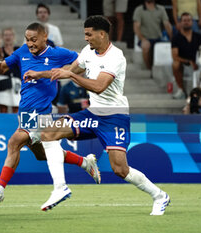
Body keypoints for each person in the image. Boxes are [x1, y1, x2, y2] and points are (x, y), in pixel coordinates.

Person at [25, 15, 170, 216]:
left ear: (102, 34)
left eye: (89, 34)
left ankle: (159, 196)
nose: (85, 38)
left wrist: (73, 76)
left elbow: (100, 86)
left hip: (114, 116)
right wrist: (40, 74)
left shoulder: (116, 57)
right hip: (93, 113)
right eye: (84, 34)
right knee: (49, 134)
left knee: (120, 169)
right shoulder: (87, 52)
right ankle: (60, 188)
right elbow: (67, 70)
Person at [0, 22, 101, 211]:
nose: (30, 43)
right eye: (27, 39)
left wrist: (50, 75)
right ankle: (85, 162)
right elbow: (0, 69)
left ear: (45, 37)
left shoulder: (58, 54)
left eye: (34, 39)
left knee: (14, 142)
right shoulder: (21, 52)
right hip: (25, 112)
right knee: (43, 154)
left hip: (41, 112)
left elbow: (82, 64)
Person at [172, 12, 201, 99]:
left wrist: (198, 62)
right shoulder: (176, 38)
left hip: (198, 61)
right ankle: (181, 90)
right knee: (175, 64)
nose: (186, 22)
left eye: (189, 20)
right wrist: (188, 61)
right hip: (184, 62)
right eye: (184, 20)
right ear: (180, 22)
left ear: (192, 22)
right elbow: (175, 56)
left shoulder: (198, 37)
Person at [133, 0, 173, 70]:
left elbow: (166, 24)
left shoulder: (161, 9)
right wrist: (142, 39)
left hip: (158, 38)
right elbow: (136, 27)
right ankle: (149, 69)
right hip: (145, 38)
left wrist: (172, 39)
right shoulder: (139, 9)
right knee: (145, 45)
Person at [0, 28, 20, 113]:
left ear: (13, 37)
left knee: (16, 105)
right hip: (3, 79)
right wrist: (0, 57)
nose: (8, 37)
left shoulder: (18, 49)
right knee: (3, 107)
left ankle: (16, 125)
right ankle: (3, 125)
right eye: (6, 35)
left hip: (17, 80)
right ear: (2, 37)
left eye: (10, 35)